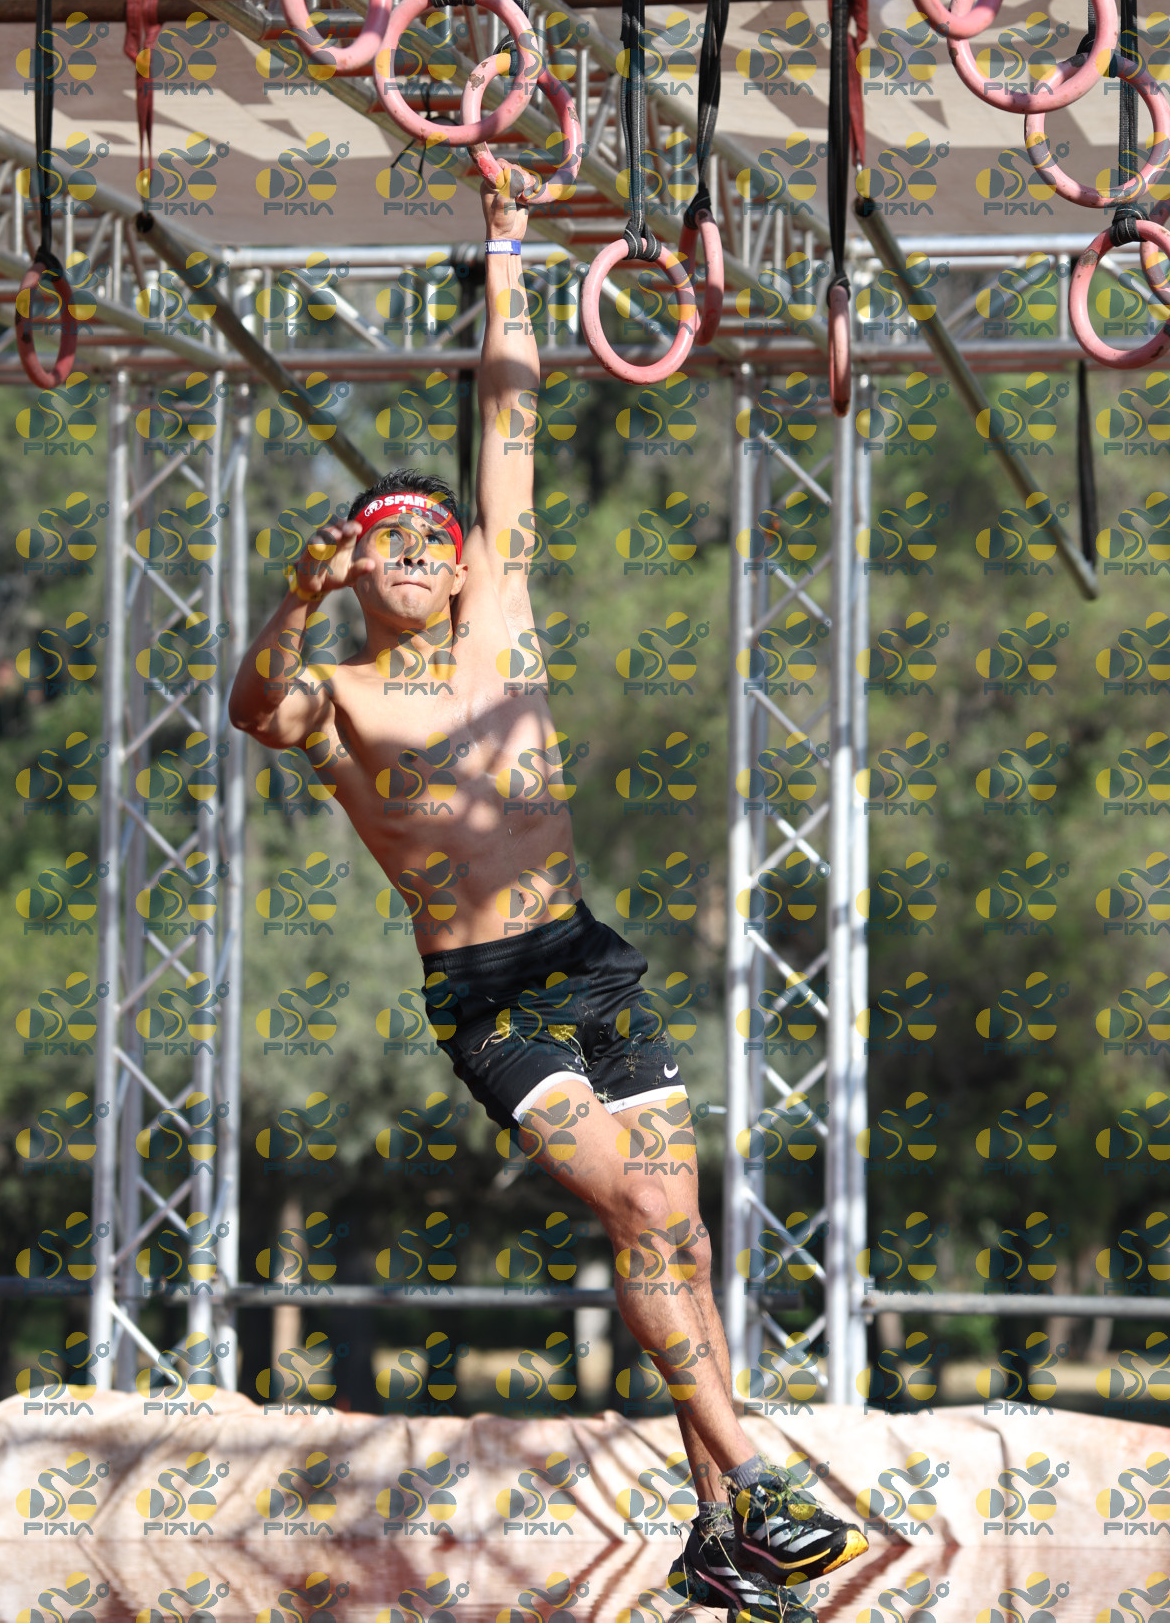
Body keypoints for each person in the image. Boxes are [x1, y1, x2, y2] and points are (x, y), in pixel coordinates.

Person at [228, 186, 868, 1621]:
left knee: (679, 1232)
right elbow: (255, 710)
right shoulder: (341, 696)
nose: (416, 552)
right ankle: (755, 1473)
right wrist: (294, 601)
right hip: (490, 996)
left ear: (461, 561)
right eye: (388, 542)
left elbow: (508, 421)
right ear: (358, 569)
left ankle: (720, 1536)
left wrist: (511, 253)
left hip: (589, 961)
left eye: (431, 538)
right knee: (638, 1206)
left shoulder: (502, 612)